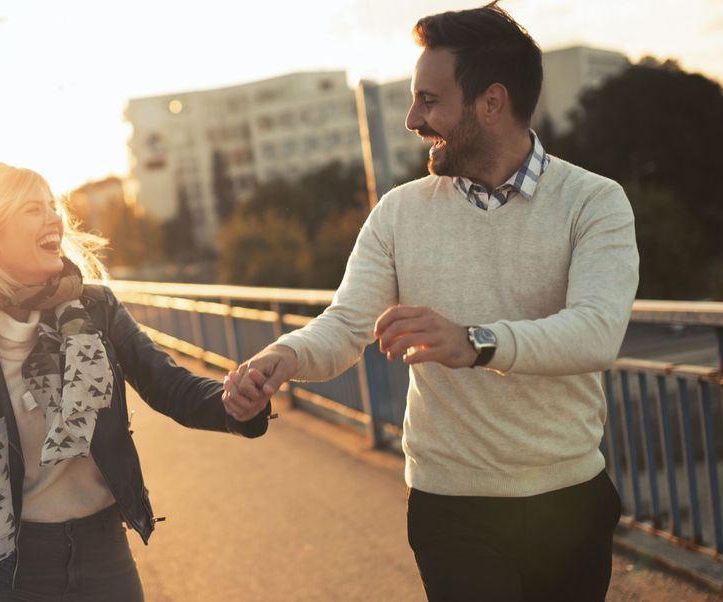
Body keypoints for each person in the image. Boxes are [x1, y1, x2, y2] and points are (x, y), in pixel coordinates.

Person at [222, 3, 638, 601]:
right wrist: (280, 358)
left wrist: (473, 342)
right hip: (451, 508)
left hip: (570, 501)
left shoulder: (593, 202)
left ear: (491, 103)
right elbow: (345, 325)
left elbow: (597, 331)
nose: (414, 119)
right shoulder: (398, 213)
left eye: (429, 100)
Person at [0, 163, 272, 602]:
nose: (54, 218)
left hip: (104, 564)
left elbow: (169, 385)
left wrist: (234, 404)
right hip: (2, 577)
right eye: (33, 209)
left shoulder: (96, 310)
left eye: (52, 206)